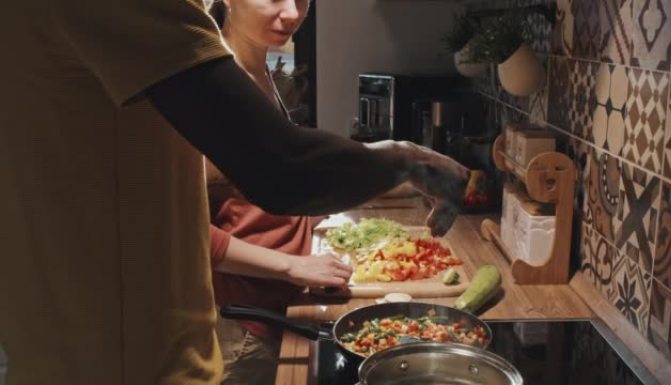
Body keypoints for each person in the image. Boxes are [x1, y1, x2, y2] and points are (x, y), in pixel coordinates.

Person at [0, 1, 470, 385]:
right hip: (131, 364)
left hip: (80, 351)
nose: (289, 12)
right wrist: (412, 159)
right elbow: (284, 169)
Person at [204, 1, 346, 383]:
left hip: (281, 308)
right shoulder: (212, 91)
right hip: (244, 327)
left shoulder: (257, 72)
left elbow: (250, 196)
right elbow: (184, 230)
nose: (292, 14)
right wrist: (293, 265)